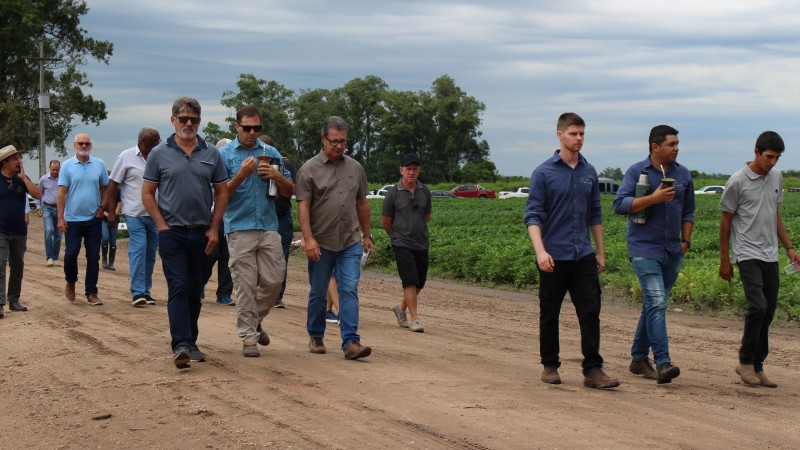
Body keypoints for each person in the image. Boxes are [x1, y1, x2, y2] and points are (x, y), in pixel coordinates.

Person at [524, 112, 619, 389]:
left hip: (583, 256)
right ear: (560, 135)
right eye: (573, 133)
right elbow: (533, 216)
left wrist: (600, 252)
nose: (579, 138)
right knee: (550, 312)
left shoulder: (589, 172)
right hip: (553, 256)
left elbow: (595, 215)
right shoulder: (543, 173)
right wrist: (540, 252)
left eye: (582, 134)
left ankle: (593, 369)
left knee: (590, 311)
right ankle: (550, 365)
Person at [142, 97, 229, 369]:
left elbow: (222, 191)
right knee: (178, 286)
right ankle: (180, 343)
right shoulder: (159, 153)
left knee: (195, 289)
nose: (188, 124)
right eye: (183, 119)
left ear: (199, 122)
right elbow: (147, 193)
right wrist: (161, 226)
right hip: (173, 233)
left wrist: (214, 228)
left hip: (203, 233)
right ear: (173, 121)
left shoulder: (211, 153)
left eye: (193, 119)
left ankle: (191, 342)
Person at [613, 124, 694, 384]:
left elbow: (689, 211)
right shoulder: (637, 172)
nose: (676, 148)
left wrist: (685, 242)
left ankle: (638, 359)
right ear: (655, 146)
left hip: (672, 249)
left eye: (677, 144)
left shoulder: (683, 175)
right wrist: (653, 198)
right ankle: (663, 363)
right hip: (644, 248)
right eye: (672, 144)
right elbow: (620, 204)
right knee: (658, 303)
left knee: (652, 304)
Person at [719, 131, 796, 388]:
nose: (772, 162)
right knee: (758, 306)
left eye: (777, 158)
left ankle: (758, 365)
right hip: (746, 253)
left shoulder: (776, 177)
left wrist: (789, 248)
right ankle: (745, 362)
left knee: (769, 310)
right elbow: (725, 222)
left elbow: (774, 214)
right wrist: (725, 260)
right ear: (756, 151)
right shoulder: (737, 181)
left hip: (770, 253)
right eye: (769, 157)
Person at [296, 116, 374, 360]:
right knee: (319, 291)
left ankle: (351, 341)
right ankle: (316, 334)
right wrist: (308, 239)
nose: (339, 146)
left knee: (348, 288)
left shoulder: (356, 168)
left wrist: (367, 234)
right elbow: (303, 206)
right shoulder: (309, 170)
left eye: (343, 142)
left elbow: (362, 203)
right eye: (334, 141)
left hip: (349, 241)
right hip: (321, 242)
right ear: (323, 139)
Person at [219, 106, 293, 357]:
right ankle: (249, 338)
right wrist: (241, 174)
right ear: (237, 127)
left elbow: (288, 191)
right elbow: (220, 196)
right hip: (239, 227)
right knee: (245, 285)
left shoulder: (270, 152)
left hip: (268, 225)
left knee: (274, 281)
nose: (252, 132)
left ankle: (254, 320)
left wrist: (276, 175)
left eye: (257, 128)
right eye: (247, 127)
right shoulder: (225, 155)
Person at [105, 127, 161, 306]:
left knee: (151, 253)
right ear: (144, 141)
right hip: (134, 212)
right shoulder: (125, 157)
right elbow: (113, 185)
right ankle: (137, 292)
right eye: (155, 141)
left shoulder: (157, 157)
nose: (158, 144)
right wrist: (112, 211)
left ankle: (146, 290)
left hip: (154, 214)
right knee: (139, 249)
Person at [57, 133, 109, 306]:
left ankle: (91, 292)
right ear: (75, 145)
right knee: (71, 254)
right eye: (81, 143)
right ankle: (71, 281)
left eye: (87, 143)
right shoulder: (67, 166)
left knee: (93, 257)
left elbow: (106, 187)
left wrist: (102, 207)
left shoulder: (99, 164)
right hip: (72, 219)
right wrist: (60, 218)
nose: (84, 146)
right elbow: (61, 193)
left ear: (91, 145)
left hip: (93, 218)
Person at [383, 153, 432, 333]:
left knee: (419, 283)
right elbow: (386, 222)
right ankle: (415, 319)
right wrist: (396, 237)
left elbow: (426, 216)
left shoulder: (424, 191)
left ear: (418, 171)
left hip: (421, 242)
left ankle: (401, 308)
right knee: (409, 281)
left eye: (415, 169)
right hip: (401, 243)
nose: (411, 172)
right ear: (401, 170)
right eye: (408, 169)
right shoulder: (393, 193)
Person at [0, 145, 42, 318]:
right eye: (15, 158)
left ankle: (14, 300)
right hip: (0, 230)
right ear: (5, 162)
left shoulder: (22, 180)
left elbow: (38, 195)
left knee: (17, 266)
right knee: (0, 265)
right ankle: (0, 303)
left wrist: (24, 179)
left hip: (19, 230)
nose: (19, 161)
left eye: (19, 158)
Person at [258, 134, 296, 309]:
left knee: (279, 258)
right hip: (271, 216)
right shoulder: (253, 163)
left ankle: (275, 295)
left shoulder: (283, 164)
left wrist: (277, 176)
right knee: (275, 258)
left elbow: (293, 189)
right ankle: (272, 295)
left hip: (279, 216)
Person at [201, 137, 235, 307]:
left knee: (228, 258)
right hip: (213, 218)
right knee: (209, 256)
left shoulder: (234, 170)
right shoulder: (209, 169)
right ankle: (199, 285)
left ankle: (224, 294)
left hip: (231, 218)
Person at [35, 160, 62, 266]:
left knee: (58, 234)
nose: (55, 171)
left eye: (57, 169)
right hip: (47, 207)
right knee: (49, 230)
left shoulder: (63, 178)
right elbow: (38, 193)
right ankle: (49, 257)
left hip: (60, 208)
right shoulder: (44, 179)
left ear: (59, 168)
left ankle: (55, 257)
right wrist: (38, 207)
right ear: (49, 168)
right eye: (53, 169)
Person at [100, 188, 121, 271]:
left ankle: (111, 262)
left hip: (114, 219)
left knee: (113, 241)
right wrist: (107, 215)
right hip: (103, 218)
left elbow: (119, 203)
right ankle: (104, 259)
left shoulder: (117, 191)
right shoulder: (102, 191)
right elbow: (99, 205)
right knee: (105, 237)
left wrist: (114, 214)